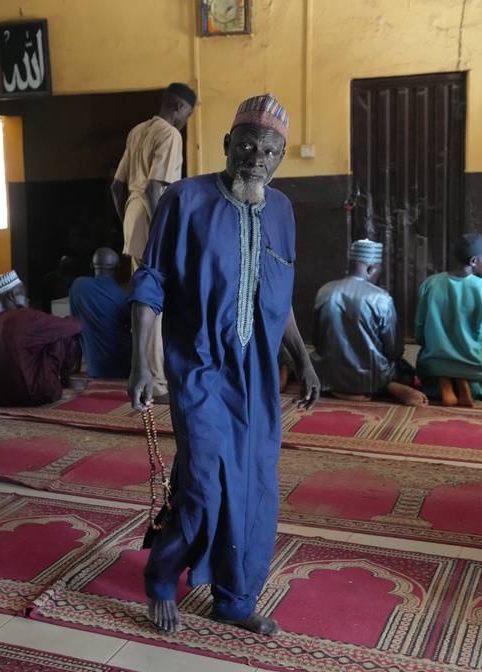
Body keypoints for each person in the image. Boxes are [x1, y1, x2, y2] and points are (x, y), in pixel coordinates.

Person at [127, 93, 320, 638]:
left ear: (280, 159)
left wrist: (303, 360)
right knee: (206, 485)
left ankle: (235, 599)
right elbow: (151, 282)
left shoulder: (280, 211)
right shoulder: (185, 199)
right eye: (248, 145)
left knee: (256, 485)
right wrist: (143, 362)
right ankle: (163, 579)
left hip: (258, 377)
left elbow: (279, 300)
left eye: (271, 151)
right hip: (201, 370)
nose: (258, 157)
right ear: (227, 145)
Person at [111, 82, 197, 402]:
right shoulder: (171, 134)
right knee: (155, 303)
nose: (188, 118)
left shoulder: (136, 132)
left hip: (135, 217)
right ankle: (158, 384)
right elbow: (153, 189)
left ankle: (151, 376)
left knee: (144, 298)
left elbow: (117, 188)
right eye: (188, 112)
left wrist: (130, 224)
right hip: (152, 217)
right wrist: (160, 230)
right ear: (178, 107)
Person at [309, 239, 426, 406]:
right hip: (371, 377)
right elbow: (393, 350)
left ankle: (337, 388)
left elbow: (316, 340)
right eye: (378, 270)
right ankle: (388, 387)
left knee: (312, 362)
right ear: (371, 269)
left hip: (327, 373)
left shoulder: (324, 291)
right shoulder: (381, 298)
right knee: (405, 370)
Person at [414, 233, 482, 406]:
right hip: (475, 366)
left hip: (433, 365)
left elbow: (419, 333)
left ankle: (445, 381)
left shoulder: (431, 283)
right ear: (473, 261)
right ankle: (464, 383)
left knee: (430, 380)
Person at [0, 270, 86, 407]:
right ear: (12, 295)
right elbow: (76, 326)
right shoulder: (27, 318)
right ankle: (64, 383)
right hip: (30, 396)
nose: (28, 299)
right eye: (23, 293)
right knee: (61, 331)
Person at [69, 247, 133, 378]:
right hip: (125, 368)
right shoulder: (122, 297)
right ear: (118, 268)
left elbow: (75, 330)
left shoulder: (78, 287)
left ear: (92, 266)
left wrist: (76, 368)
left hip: (94, 369)